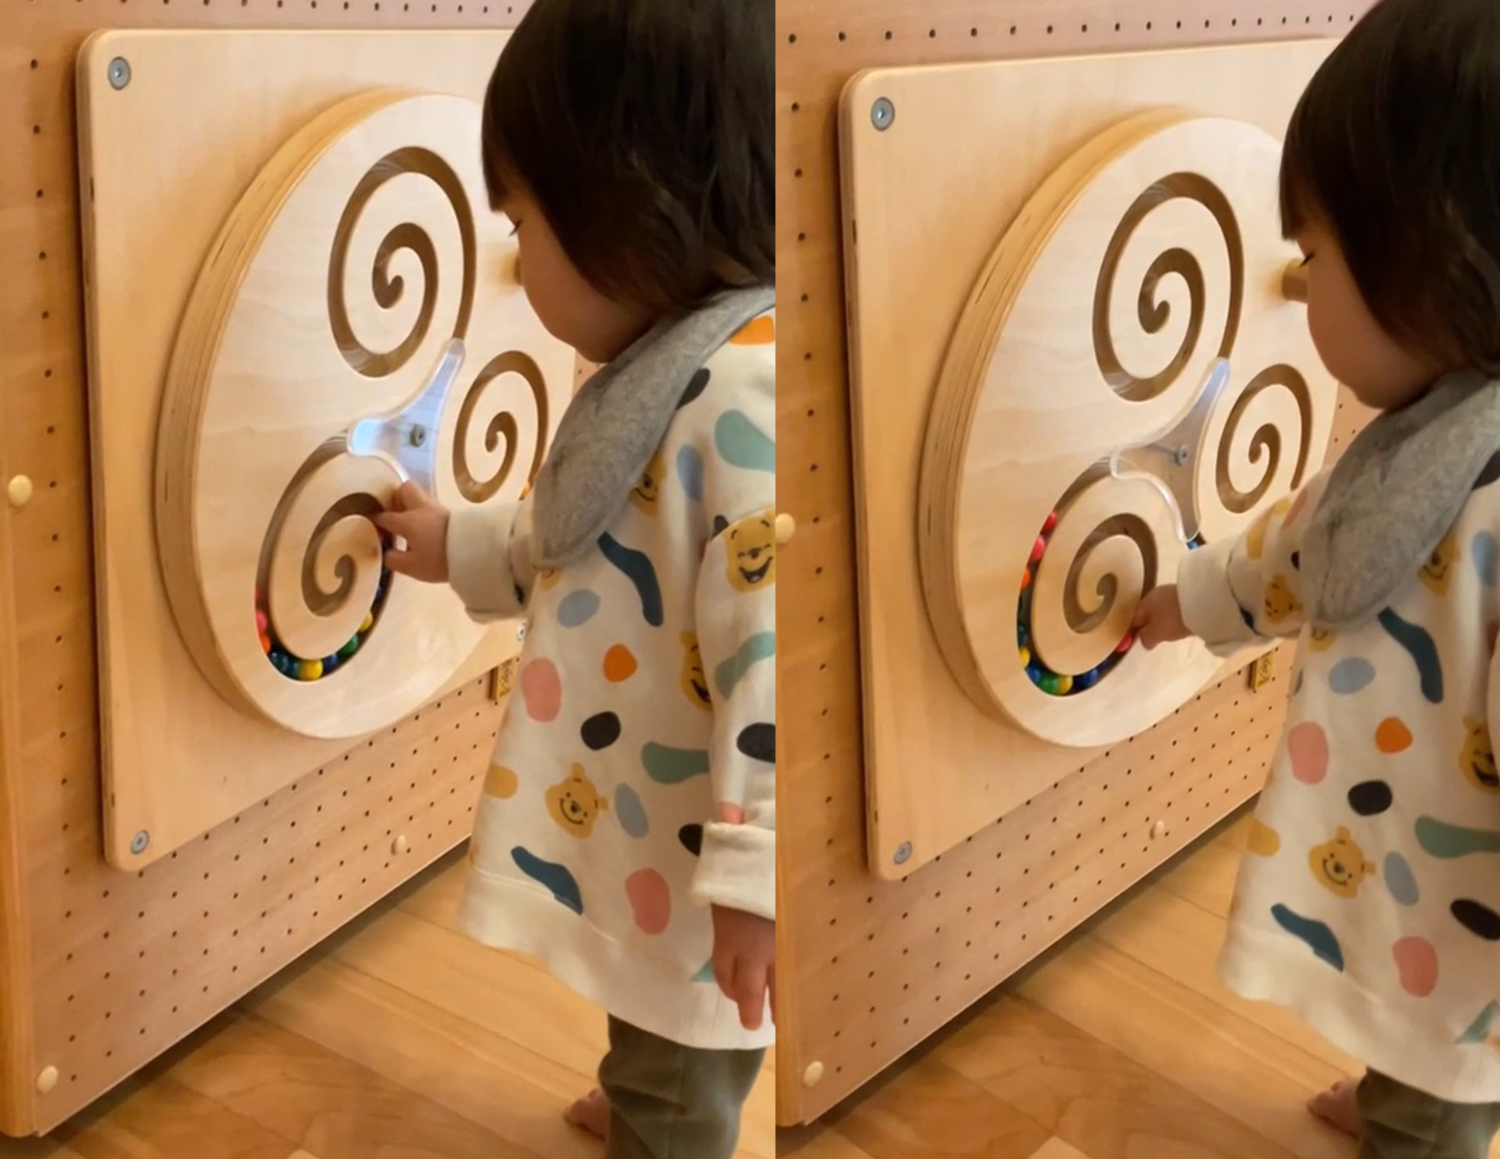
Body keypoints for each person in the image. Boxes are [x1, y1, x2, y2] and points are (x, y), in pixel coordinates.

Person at [373, 2, 775, 1156]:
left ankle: (666, 1123)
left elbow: (774, 664)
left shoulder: (738, 399)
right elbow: (591, 536)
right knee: (654, 1022)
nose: (514, 256)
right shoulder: (672, 368)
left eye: (521, 220)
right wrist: (454, 544)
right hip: (647, 829)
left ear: (628, 200)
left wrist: (758, 878)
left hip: (703, 851)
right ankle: (650, 1092)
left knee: (685, 1059)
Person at [1133, 1, 1500, 1154]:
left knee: (1443, 1078)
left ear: (1430, 252)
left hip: (1471, 911)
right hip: (1418, 881)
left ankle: (1418, 1118)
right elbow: (1308, 551)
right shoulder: (1425, 441)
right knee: (1423, 1034)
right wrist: (1188, 600)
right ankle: (1411, 1092)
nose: (1301, 288)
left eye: (1312, 256)